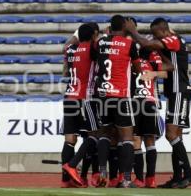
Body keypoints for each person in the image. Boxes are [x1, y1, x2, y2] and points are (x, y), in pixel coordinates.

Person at [126, 17, 191, 189]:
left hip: (178, 90)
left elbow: (149, 45)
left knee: (171, 135)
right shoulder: (173, 39)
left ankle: (189, 174)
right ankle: (178, 177)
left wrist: (133, 31)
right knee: (176, 136)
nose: (155, 38)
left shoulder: (173, 40)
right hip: (176, 92)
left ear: (164, 31)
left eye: (156, 34)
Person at [94, 15, 142, 188]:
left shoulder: (100, 42)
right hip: (121, 95)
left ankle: (102, 173)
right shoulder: (130, 44)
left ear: (110, 27)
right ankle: (127, 179)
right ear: (125, 26)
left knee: (105, 134)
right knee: (127, 137)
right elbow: (138, 69)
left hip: (102, 95)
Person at [60, 23, 100, 188]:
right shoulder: (91, 48)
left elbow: (64, 71)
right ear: (92, 36)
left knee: (70, 139)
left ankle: (65, 180)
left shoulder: (70, 49)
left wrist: (76, 34)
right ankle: (73, 166)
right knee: (95, 135)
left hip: (69, 96)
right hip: (84, 97)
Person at [131, 50, 167, 188]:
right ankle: (151, 179)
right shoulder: (151, 64)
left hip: (135, 103)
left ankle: (139, 179)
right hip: (150, 102)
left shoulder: (130, 63)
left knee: (136, 141)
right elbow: (165, 73)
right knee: (150, 141)